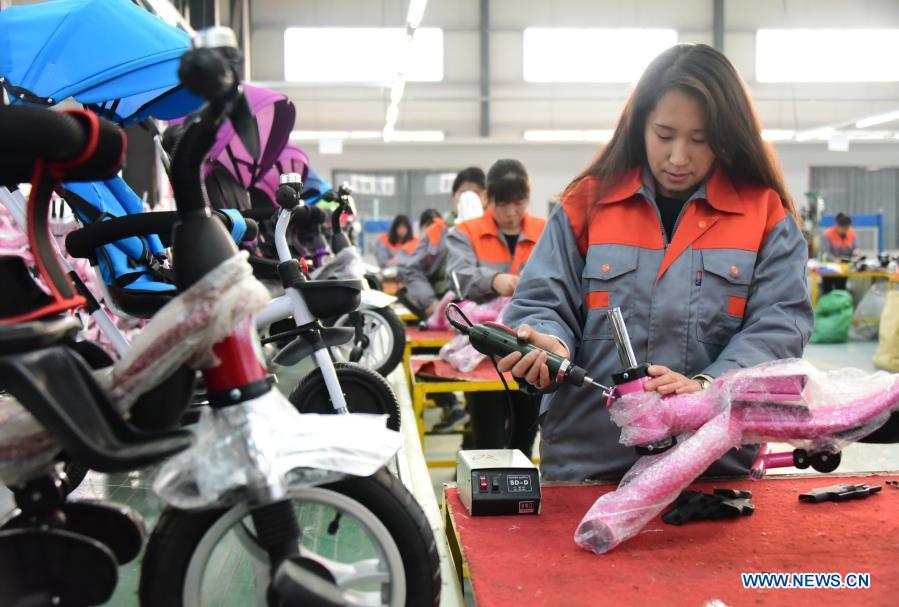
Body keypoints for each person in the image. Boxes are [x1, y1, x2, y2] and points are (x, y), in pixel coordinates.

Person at [496, 43, 814, 481]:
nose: (678, 157)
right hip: (588, 468)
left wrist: (707, 388)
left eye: (700, 140)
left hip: (710, 470)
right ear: (639, 125)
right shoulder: (586, 205)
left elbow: (780, 327)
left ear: (726, 136)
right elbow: (540, 301)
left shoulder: (765, 216)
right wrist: (550, 344)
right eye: (664, 135)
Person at [446, 159, 547, 457]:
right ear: (488, 198)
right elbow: (457, 277)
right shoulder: (466, 232)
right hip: (483, 355)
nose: (512, 212)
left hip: (532, 350)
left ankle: (518, 500)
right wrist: (494, 280)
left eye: (519, 202)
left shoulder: (546, 230)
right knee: (486, 441)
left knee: (524, 441)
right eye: (503, 204)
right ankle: (483, 495)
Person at [398, 167, 487, 317]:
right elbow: (411, 269)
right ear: (453, 197)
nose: (469, 198)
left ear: (486, 197)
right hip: (445, 309)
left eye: (476, 192)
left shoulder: (495, 232)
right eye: (463, 192)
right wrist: (431, 302)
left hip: (486, 311)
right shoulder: (436, 232)